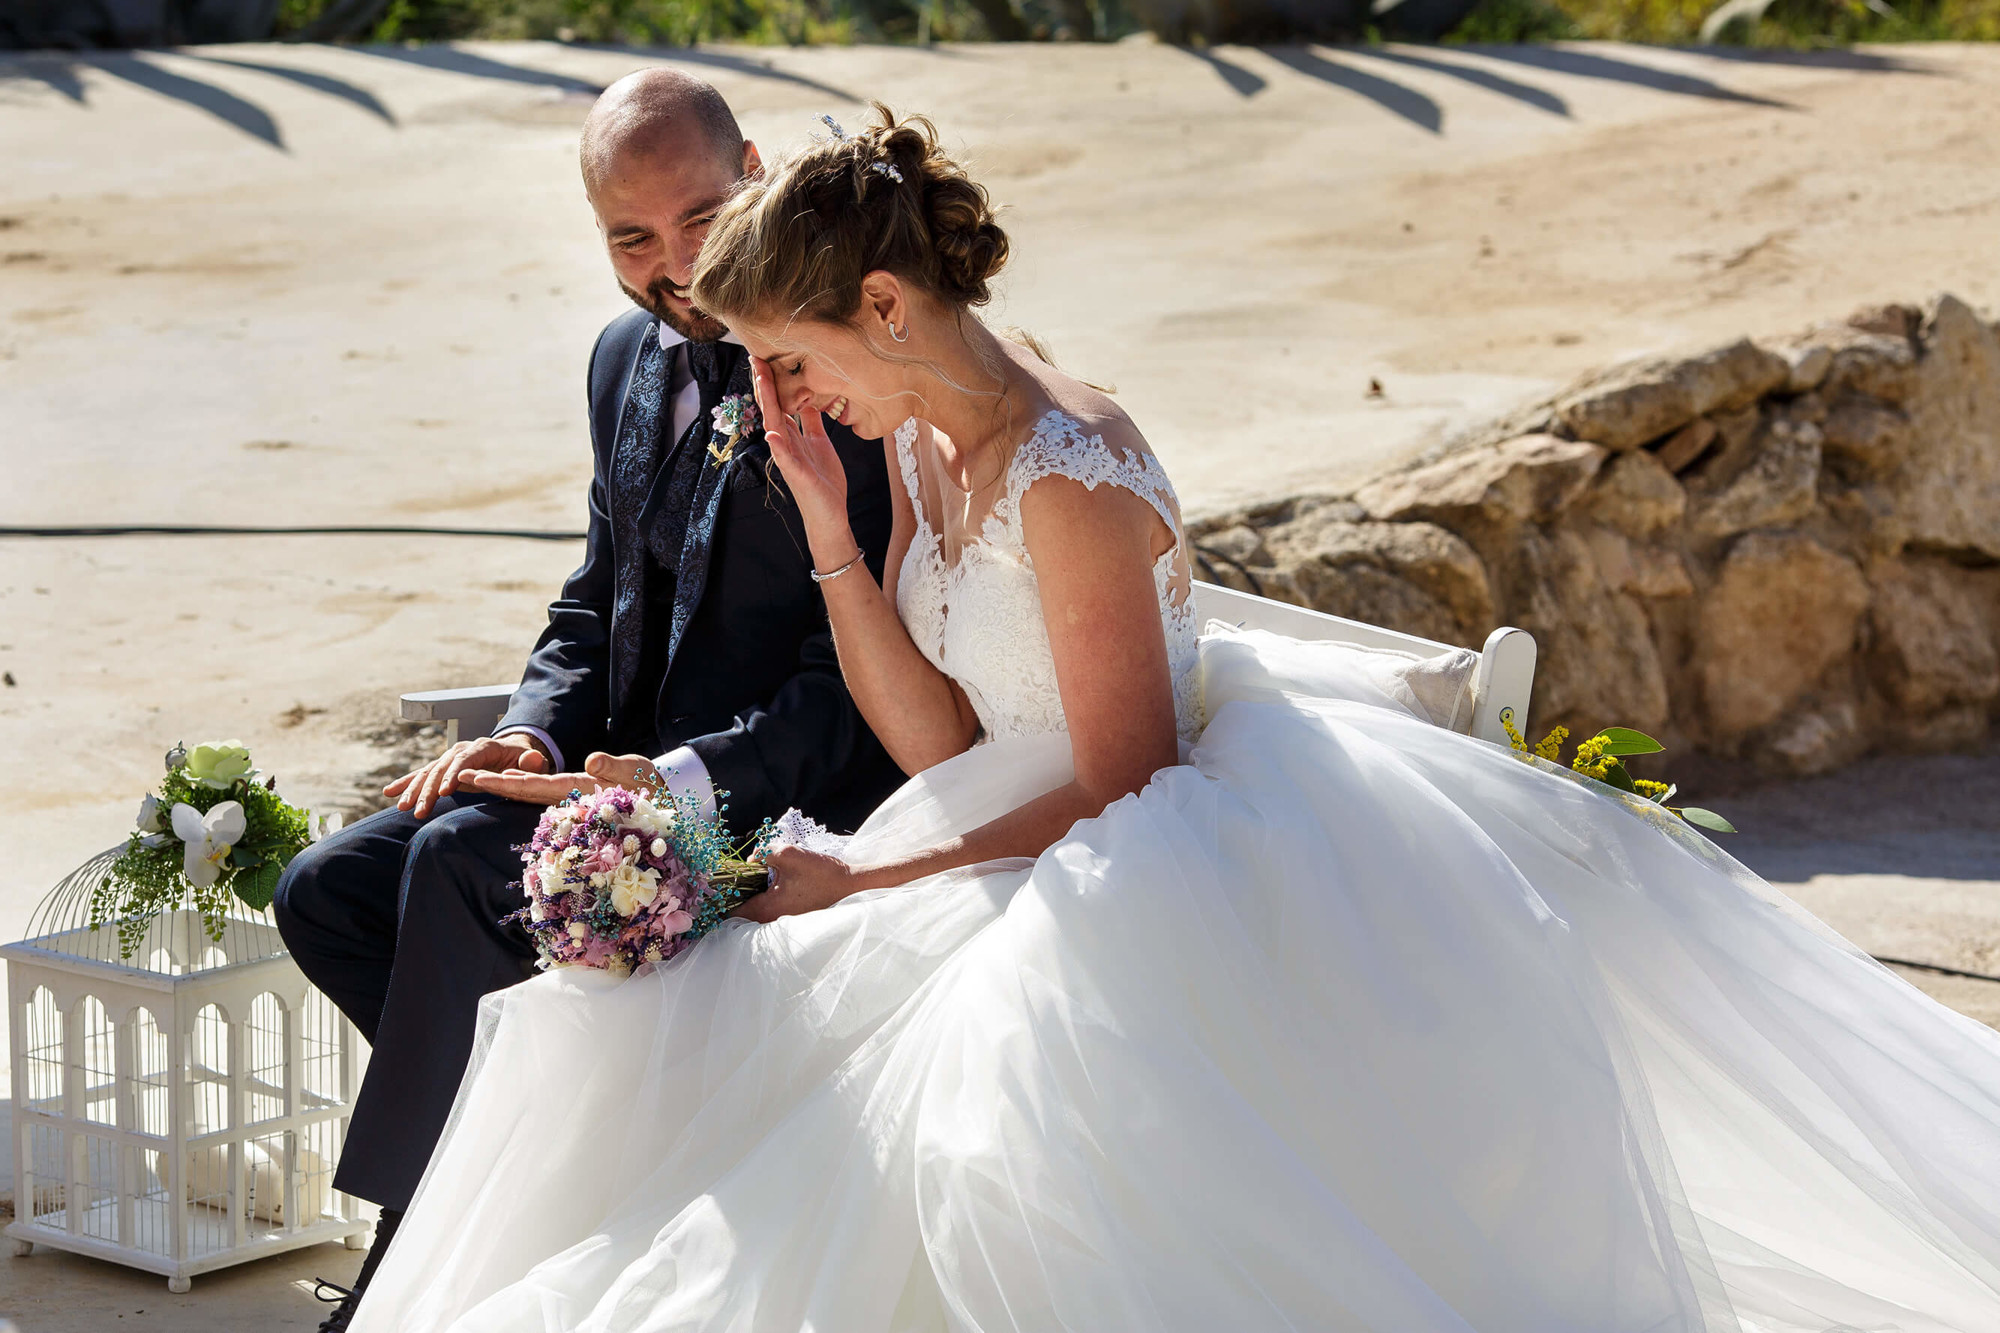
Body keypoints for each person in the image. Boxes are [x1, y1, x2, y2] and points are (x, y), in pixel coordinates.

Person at [351, 109, 2000, 1332]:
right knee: (671, 1044)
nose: (810, 405)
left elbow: (1128, 781)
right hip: (988, 814)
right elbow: (935, 738)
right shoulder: (918, 449)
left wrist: (862, 888)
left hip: (1136, 861)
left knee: (975, 1121)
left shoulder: (1064, 472)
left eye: (800, 364)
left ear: (882, 306)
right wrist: (836, 530)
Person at [272, 72, 904, 1332]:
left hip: (776, 806)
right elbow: (594, 593)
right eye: (630, 236)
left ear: (758, 171)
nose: (675, 264)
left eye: (700, 215)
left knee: (458, 864)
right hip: (598, 777)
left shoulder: (840, 374)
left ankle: (411, 1260)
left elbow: (849, 694)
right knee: (329, 888)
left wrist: (662, 784)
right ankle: (511, 1176)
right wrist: (533, 729)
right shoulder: (623, 356)